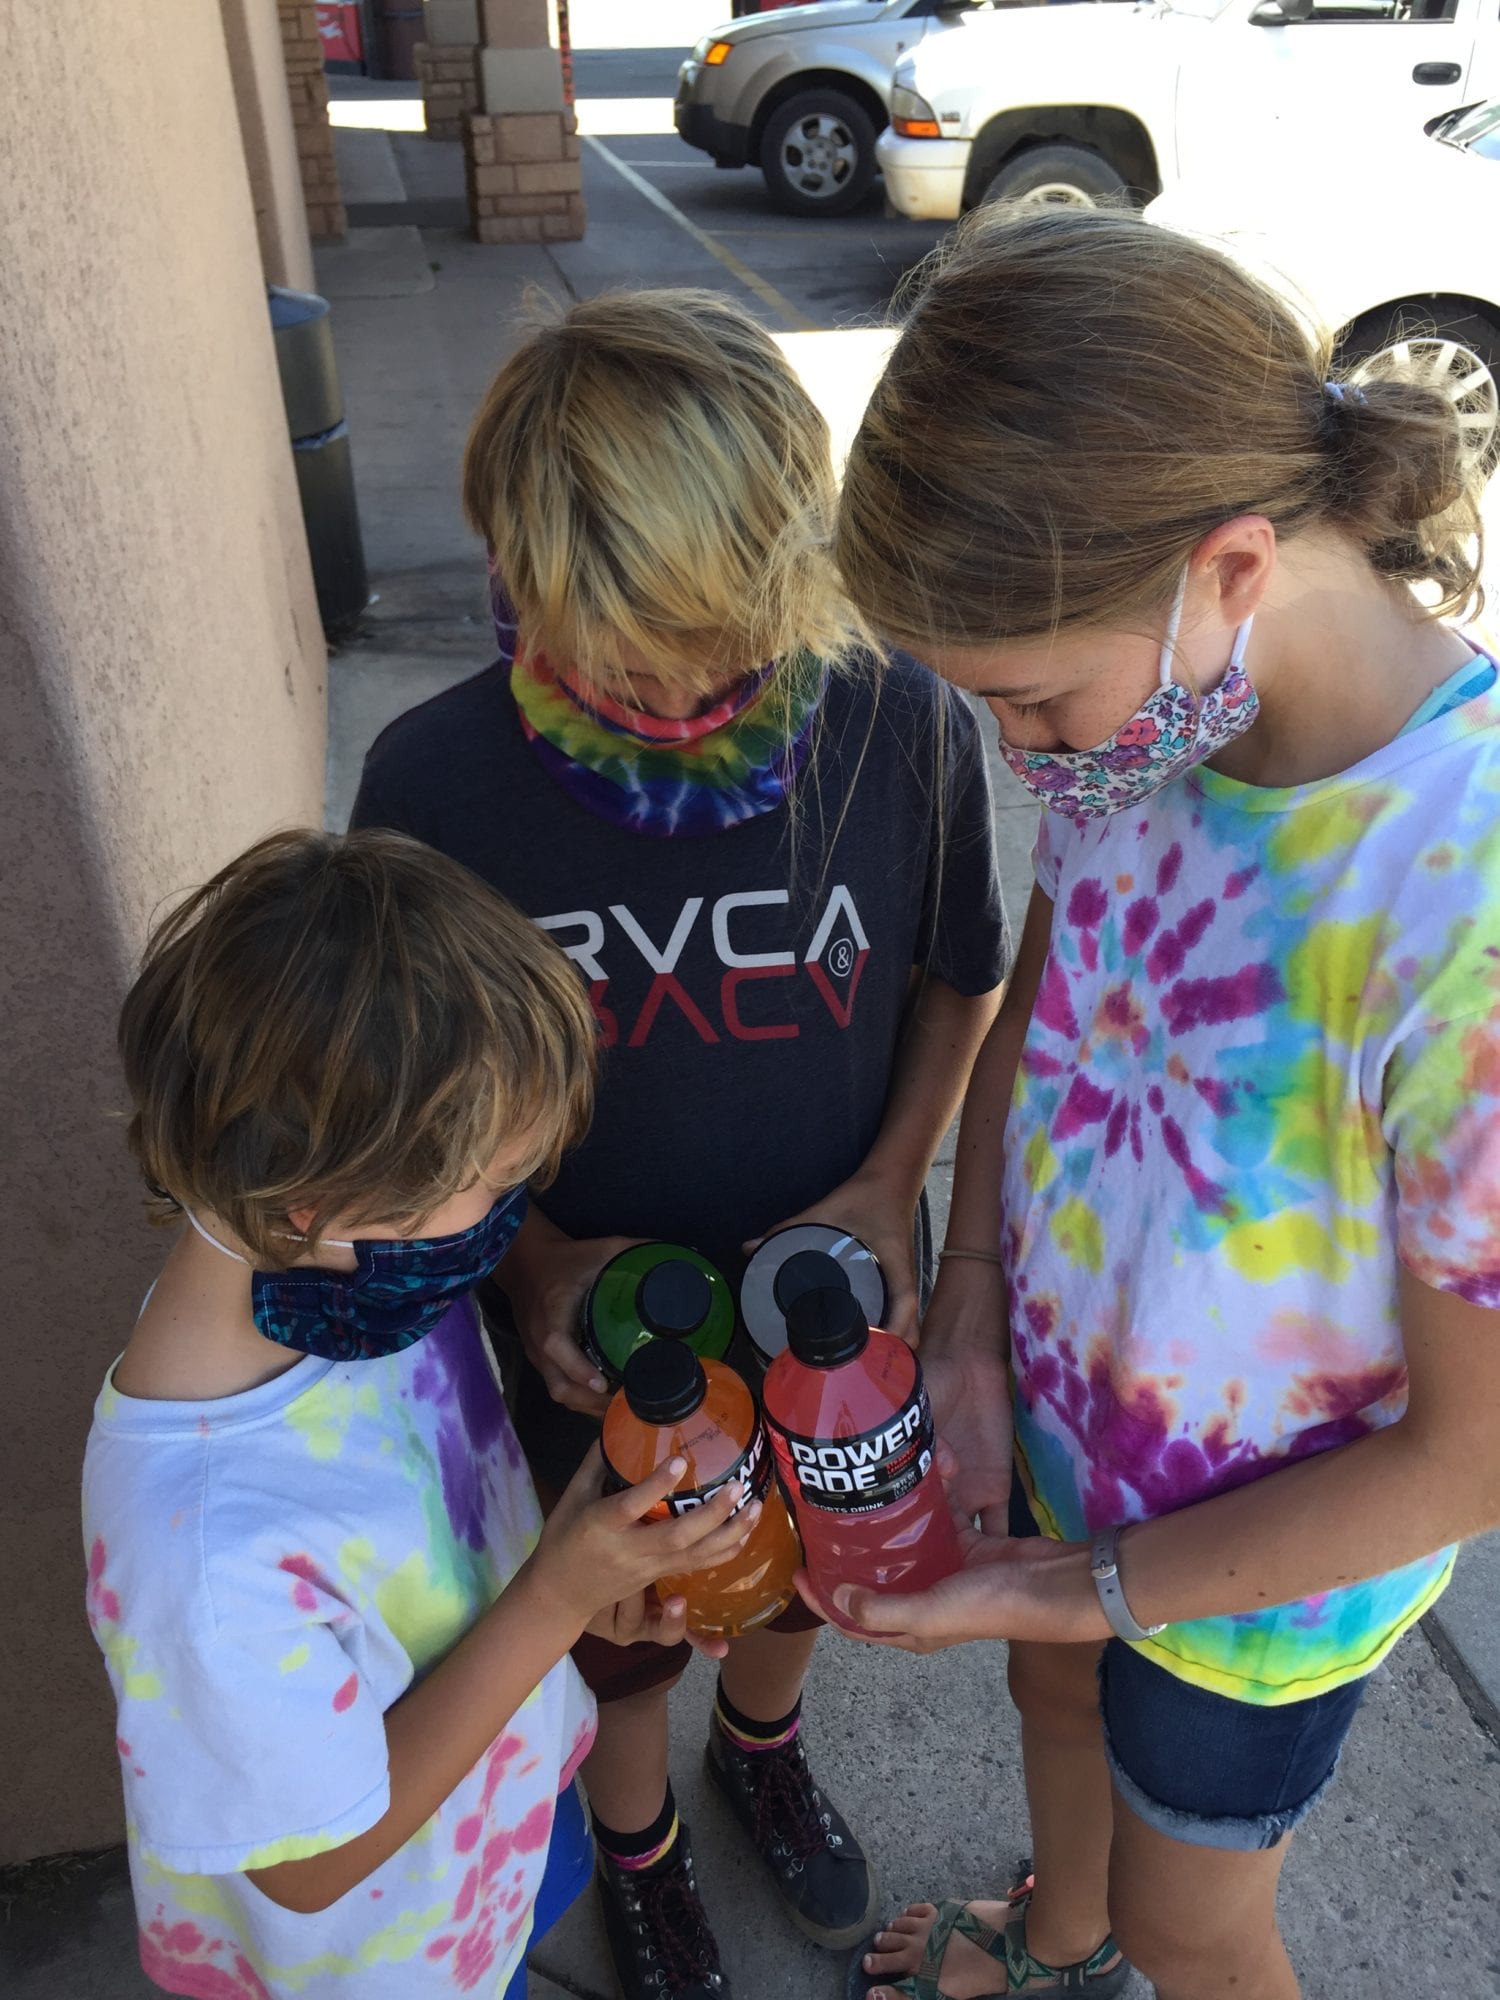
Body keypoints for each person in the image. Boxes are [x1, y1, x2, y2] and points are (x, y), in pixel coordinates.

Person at [820, 205, 1500, 2000]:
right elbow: (1059, 966)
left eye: (1029, 707)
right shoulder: (1161, 722)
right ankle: (1059, 1936)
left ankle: (1127, 1936)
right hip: (1068, 1430)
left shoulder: (1466, 902)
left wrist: (1074, 1584)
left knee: (1204, 1920)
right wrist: (969, 1303)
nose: (1029, 764)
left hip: (1267, 1583)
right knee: (1056, 1706)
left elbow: (1471, 1451)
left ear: (1231, 563)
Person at [351, 288, 1008, 1999]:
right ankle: (635, 1840)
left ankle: (766, 1750)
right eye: (633, 642)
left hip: (824, 1290)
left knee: (811, 1569)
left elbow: (955, 973)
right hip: (584, 1318)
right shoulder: (436, 784)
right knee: (625, 1614)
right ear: (526, 571)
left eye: (728, 634)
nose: (692, 686)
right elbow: (413, 1105)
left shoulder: (899, 719)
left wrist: (891, 1180)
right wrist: (536, 1248)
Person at [84, 828, 760, 2000]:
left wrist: (582, 1584)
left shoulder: (354, 1292)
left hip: (496, 1824)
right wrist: (555, 1598)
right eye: (495, 1181)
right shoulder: (202, 1553)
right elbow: (306, 1865)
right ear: (320, 1202)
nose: (522, 1198)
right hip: (386, 1954)